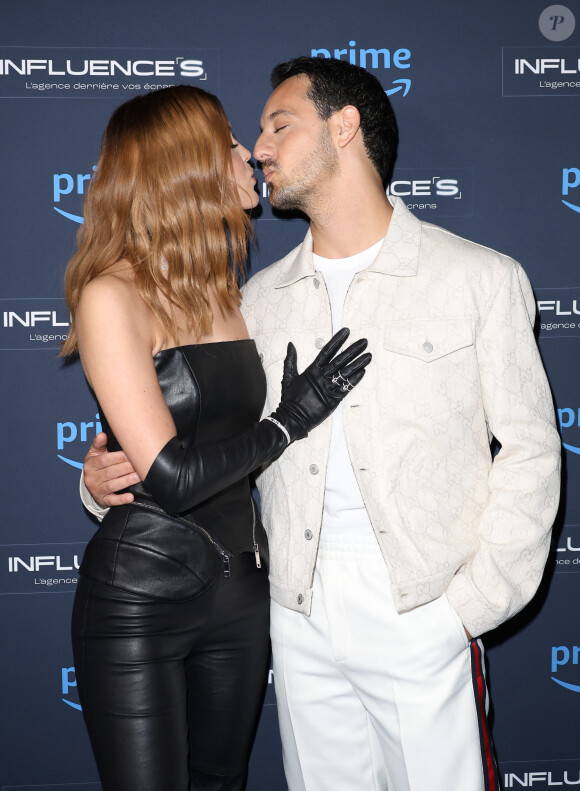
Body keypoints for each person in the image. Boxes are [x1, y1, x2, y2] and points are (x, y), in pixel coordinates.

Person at [81, 59, 561, 791]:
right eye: (253, 134)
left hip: (419, 607)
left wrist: (470, 606)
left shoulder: (478, 278)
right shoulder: (257, 301)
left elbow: (531, 449)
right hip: (289, 612)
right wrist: (103, 482)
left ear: (345, 127)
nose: (260, 148)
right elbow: (193, 440)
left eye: (279, 125)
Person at [62, 83, 371, 791]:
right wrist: (291, 419)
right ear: (186, 165)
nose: (249, 154)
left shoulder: (234, 294)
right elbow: (169, 476)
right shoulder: (112, 294)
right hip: (141, 598)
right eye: (230, 142)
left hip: (239, 594)